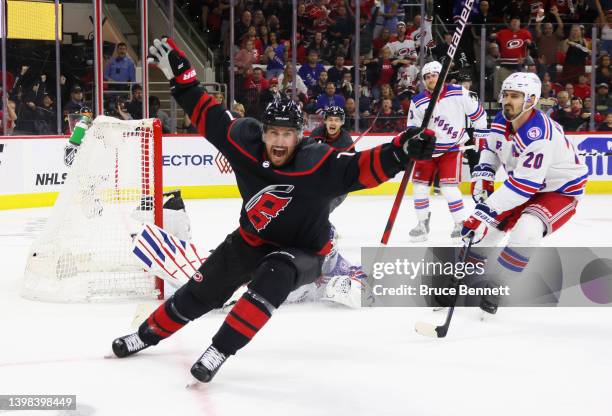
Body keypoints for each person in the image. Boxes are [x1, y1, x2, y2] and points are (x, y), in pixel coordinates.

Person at [111, 37, 435, 384]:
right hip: (252, 239)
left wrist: (403, 149)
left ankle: (220, 348)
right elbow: (207, 114)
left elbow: (363, 167)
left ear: (300, 136)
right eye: (273, 133)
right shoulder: (243, 142)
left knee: (276, 273)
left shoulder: (318, 161)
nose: (280, 142)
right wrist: (182, 79)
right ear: (262, 132)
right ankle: (146, 335)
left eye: (288, 135)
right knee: (200, 292)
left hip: (305, 251)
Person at [461, 72, 588, 315]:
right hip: (525, 184)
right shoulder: (501, 119)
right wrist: (485, 173)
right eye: (506, 94)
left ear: (531, 100)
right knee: (484, 234)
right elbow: (491, 148)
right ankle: (459, 277)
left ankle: (497, 284)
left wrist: (482, 212)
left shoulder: (540, 134)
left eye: (515, 96)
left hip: (559, 189)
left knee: (527, 230)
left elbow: (524, 187)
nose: (508, 100)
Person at [406, 61, 488, 242]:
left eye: (434, 75)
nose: (430, 79)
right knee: (419, 188)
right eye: (427, 77)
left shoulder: (458, 92)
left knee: (449, 189)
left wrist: (481, 137)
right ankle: (422, 224)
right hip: (426, 151)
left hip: (451, 149)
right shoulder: (418, 100)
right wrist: (415, 140)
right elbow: (411, 127)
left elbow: (479, 114)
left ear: (441, 76)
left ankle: (460, 224)